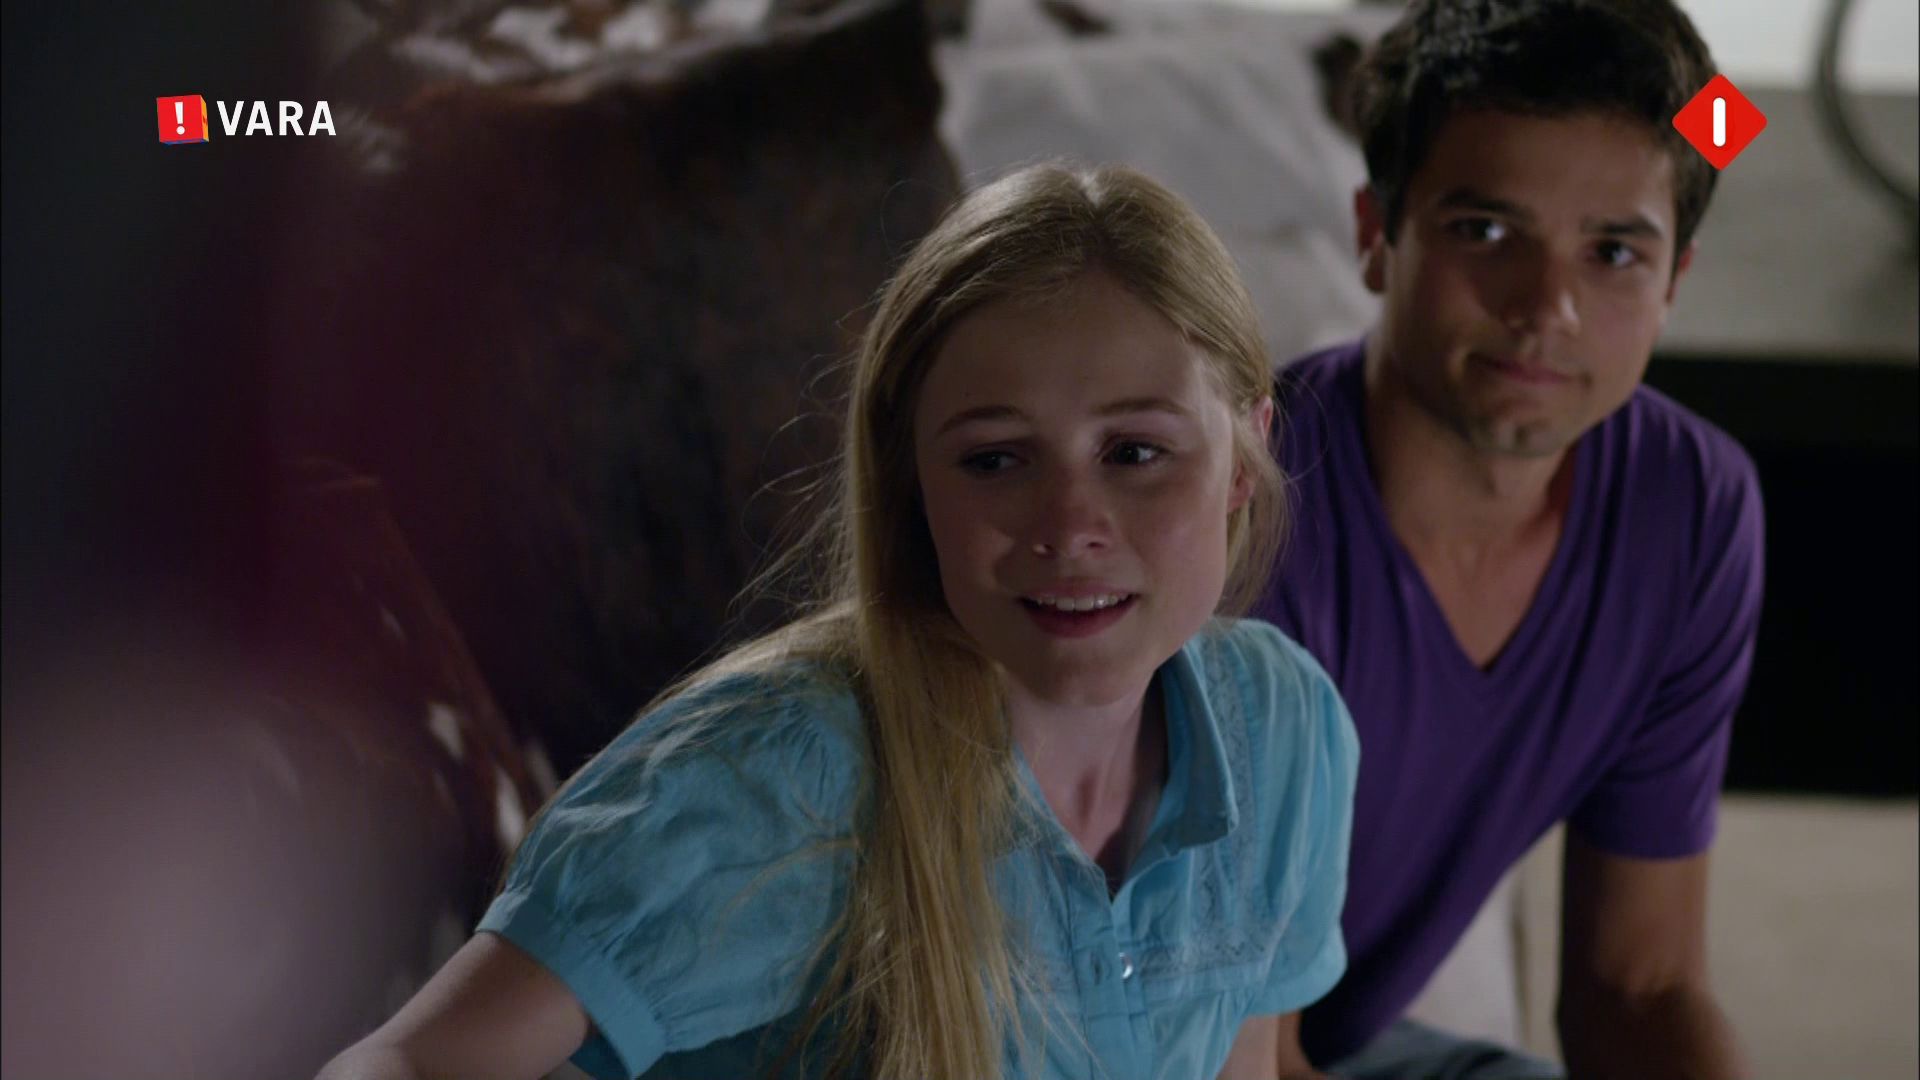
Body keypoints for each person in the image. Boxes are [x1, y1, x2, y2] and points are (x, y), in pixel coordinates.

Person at [316, 162, 1360, 1080]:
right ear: (914, 483)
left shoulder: (1285, 729)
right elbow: (403, 1061)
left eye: (1135, 453)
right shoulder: (781, 778)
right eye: (995, 460)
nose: (1069, 527)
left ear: (1244, 457)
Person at [1256, 2, 1765, 1078]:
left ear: (1675, 280)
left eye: (1613, 252)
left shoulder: (1691, 508)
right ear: (1375, 235)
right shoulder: (1247, 517)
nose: (1548, 308)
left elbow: (1639, 986)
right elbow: (1230, 1050)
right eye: (1486, 232)